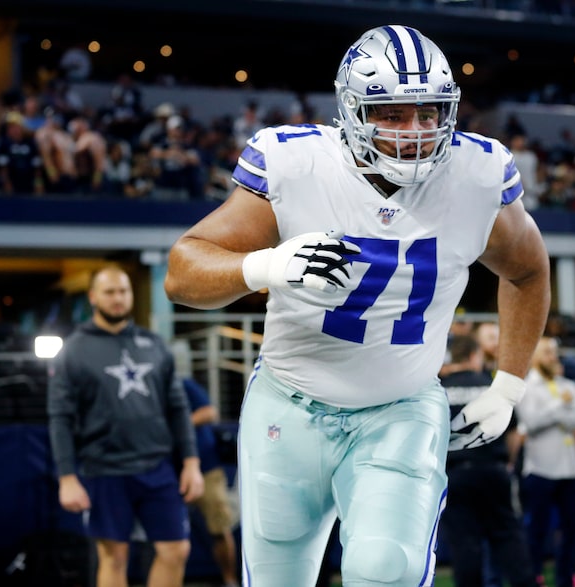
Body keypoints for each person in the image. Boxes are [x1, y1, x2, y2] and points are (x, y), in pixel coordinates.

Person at [163, 24, 551, 586]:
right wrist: (266, 265)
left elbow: (529, 270)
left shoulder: (477, 174)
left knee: (384, 568)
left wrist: (509, 385)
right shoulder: (296, 165)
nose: (414, 132)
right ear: (351, 109)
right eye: (391, 113)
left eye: (429, 113)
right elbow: (181, 270)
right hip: (289, 405)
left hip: (402, 407)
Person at [47, 266, 204, 587]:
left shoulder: (154, 344)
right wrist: (66, 477)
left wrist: (191, 463)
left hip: (158, 468)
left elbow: (178, 407)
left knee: (176, 550)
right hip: (104, 470)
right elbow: (60, 417)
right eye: (109, 292)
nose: (118, 299)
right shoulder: (74, 350)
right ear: (93, 297)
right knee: (113, 557)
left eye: (123, 291)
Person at [439, 334, 535, 587]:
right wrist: (508, 462)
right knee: (508, 536)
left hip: (455, 474)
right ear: (474, 356)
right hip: (493, 469)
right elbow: (514, 434)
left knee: (464, 544)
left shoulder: (439, 389)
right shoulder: (489, 385)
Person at [515, 336, 575, 587]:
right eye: (547, 352)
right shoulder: (526, 387)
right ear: (534, 356)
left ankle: (566, 577)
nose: (553, 357)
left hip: (570, 469)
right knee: (536, 530)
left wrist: (557, 413)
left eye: (554, 352)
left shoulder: (568, 384)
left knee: (571, 529)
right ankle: (533, 576)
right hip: (540, 470)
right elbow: (531, 423)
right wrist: (561, 406)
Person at [182, 376, 239, 587]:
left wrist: (179, 423)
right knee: (167, 537)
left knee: (219, 527)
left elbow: (209, 412)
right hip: (167, 469)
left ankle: (230, 580)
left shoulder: (182, 384)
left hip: (205, 466)